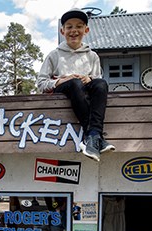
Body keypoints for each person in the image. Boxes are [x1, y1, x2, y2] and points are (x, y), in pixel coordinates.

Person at [36, 8, 115, 162]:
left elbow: (97, 80)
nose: (74, 30)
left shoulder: (92, 56)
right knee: (74, 83)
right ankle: (95, 136)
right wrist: (61, 80)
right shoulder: (54, 55)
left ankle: (93, 137)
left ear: (86, 30)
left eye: (78, 26)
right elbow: (41, 83)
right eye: (69, 27)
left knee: (101, 84)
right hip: (65, 89)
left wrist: (90, 79)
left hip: (84, 91)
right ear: (62, 30)